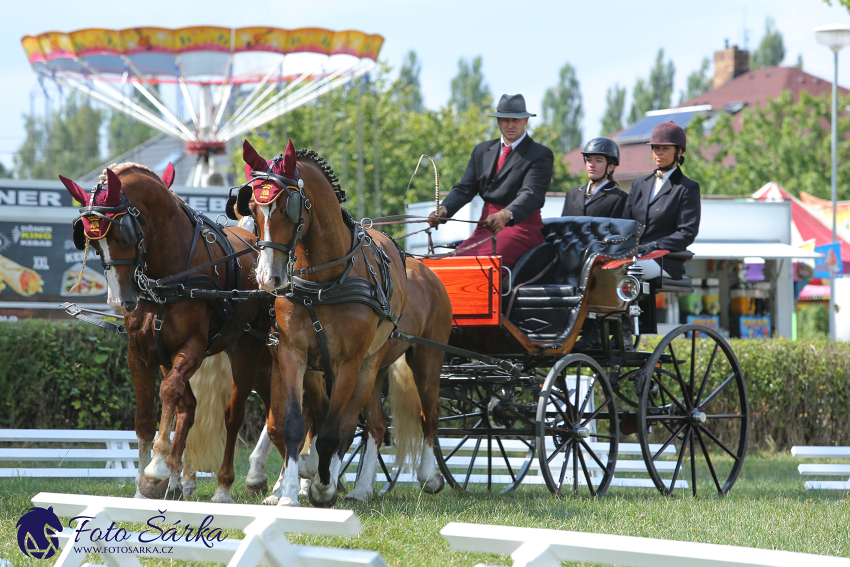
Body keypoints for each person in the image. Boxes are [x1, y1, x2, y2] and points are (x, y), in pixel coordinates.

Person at [428, 94, 554, 269]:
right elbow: (465, 188)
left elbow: (531, 194)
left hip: (520, 227)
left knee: (480, 267)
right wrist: (444, 209)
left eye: (515, 120)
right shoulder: (482, 150)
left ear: (526, 120)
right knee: (450, 264)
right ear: (498, 121)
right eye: (505, 120)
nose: (510, 125)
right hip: (486, 226)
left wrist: (506, 214)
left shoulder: (539, 154)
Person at [622, 121, 700, 280]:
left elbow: (687, 233)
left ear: (679, 152)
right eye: (656, 148)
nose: (659, 153)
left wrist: (654, 246)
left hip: (663, 260)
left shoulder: (686, 188)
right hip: (635, 255)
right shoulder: (639, 184)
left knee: (628, 268)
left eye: (665, 148)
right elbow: (625, 223)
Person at [561, 137, 627, 218]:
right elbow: (563, 227)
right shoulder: (572, 194)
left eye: (598, 161)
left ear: (610, 167)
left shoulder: (620, 198)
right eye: (589, 160)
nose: (591, 165)